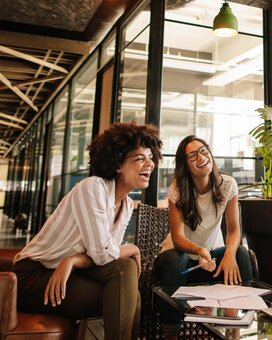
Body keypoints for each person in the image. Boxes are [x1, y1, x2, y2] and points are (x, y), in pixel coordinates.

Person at [12, 122, 163, 340]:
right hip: (32, 276)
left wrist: (72, 260)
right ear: (118, 163)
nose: (150, 164)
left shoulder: (127, 205)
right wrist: (131, 247)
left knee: (126, 275)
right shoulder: (93, 187)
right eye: (140, 158)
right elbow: (104, 253)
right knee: (126, 295)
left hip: (71, 271)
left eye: (151, 157)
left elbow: (106, 258)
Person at [153, 135, 253, 338]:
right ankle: (170, 333)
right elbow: (178, 238)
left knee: (241, 254)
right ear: (185, 165)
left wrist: (230, 254)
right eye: (193, 155)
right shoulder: (178, 189)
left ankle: (237, 327)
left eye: (204, 150)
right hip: (177, 265)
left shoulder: (227, 185)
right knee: (177, 258)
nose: (202, 157)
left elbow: (234, 230)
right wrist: (199, 250)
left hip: (207, 264)